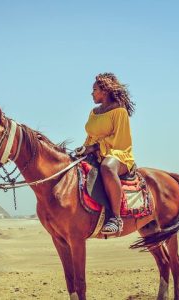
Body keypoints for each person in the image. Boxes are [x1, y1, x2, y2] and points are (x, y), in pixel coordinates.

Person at [75, 72, 136, 235]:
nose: (92, 93)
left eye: (94, 89)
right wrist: (84, 149)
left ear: (105, 91)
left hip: (118, 153)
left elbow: (120, 140)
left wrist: (94, 148)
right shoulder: (93, 112)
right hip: (95, 151)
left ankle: (115, 218)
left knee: (107, 168)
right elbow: (90, 136)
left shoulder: (119, 112)